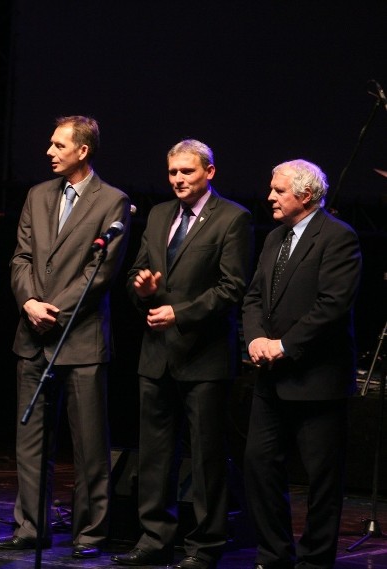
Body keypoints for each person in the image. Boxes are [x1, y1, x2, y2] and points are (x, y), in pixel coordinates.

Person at [113, 139, 253, 569]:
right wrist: (143, 290)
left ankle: (205, 546)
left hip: (203, 357)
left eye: (186, 172)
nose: (177, 179)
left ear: (209, 172)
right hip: (156, 355)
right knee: (155, 455)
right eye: (172, 172)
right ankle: (155, 539)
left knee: (206, 457)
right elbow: (138, 271)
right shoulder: (158, 215)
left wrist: (181, 313)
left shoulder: (233, 218)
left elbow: (232, 287)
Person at [0, 115, 132, 559]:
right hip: (32, 333)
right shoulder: (37, 195)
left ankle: (90, 533)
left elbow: (102, 273)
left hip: (80, 337)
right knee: (31, 439)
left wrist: (54, 311)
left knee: (89, 444)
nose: (49, 152)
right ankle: (31, 526)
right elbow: (19, 257)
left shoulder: (113, 201)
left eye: (58, 145)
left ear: (83, 151)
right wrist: (30, 302)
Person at [242, 159, 362, 569]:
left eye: (278, 190)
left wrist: (284, 345)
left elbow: (332, 306)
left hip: (317, 381)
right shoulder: (275, 237)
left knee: (322, 480)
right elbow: (254, 297)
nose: (269, 197)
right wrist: (257, 338)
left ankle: (314, 562)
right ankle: (274, 555)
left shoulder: (338, 238)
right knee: (260, 468)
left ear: (305, 195)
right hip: (271, 380)